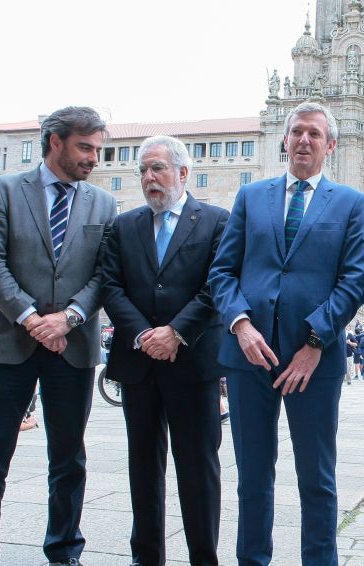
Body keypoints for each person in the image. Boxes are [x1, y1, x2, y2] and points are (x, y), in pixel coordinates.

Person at [208, 101, 364, 566]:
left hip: (313, 361)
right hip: (248, 355)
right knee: (252, 475)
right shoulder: (251, 196)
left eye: (314, 134)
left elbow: (352, 280)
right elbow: (223, 272)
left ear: (330, 145)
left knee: (316, 477)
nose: (304, 140)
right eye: (297, 131)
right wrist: (240, 325)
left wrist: (315, 343)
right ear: (285, 139)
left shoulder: (349, 203)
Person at [0, 106, 116, 566]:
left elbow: (105, 273)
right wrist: (31, 318)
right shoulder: (1, 190)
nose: (93, 159)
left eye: (98, 150)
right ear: (55, 142)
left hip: (73, 347)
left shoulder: (102, 203)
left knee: (68, 460)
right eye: (86, 147)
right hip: (6, 345)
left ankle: (64, 552)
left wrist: (70, 318)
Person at [100, 135, 229, 566]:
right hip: (138, 364)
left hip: (192, 364)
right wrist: (143, 335)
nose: (148, 178)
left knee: (198, 470)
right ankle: (146, 556)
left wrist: (174, 332)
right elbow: (111, 287)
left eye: (157, 168)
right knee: (143, 468)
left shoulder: (215, 221)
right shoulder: (123, 225)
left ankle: (203, 558)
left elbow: (217, 286)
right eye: (142, 170)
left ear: (183, 173)